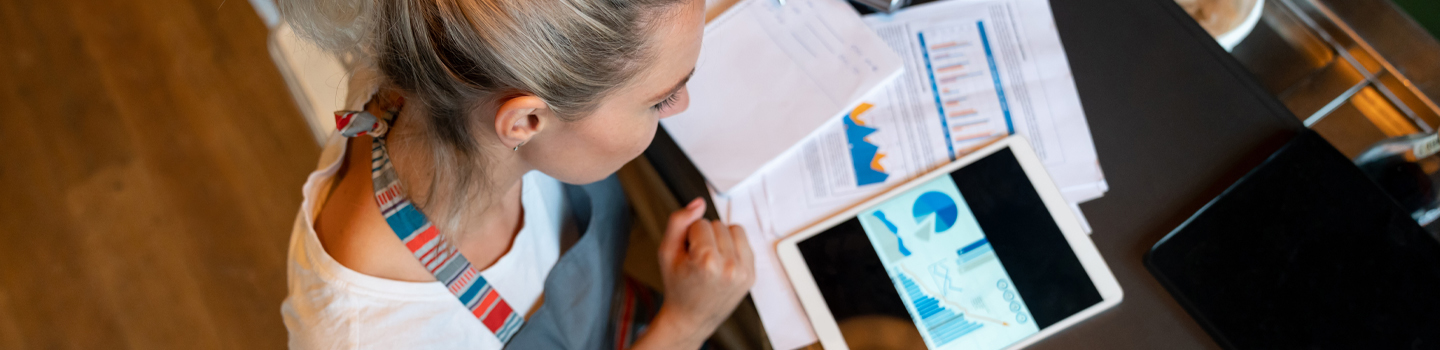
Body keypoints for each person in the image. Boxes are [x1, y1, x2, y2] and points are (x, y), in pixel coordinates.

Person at [276, 0, 756, 348]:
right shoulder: (368, 333)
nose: (681, 106)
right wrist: (685, 325)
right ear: (525, 122)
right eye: (658, 100)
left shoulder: (443, 87)